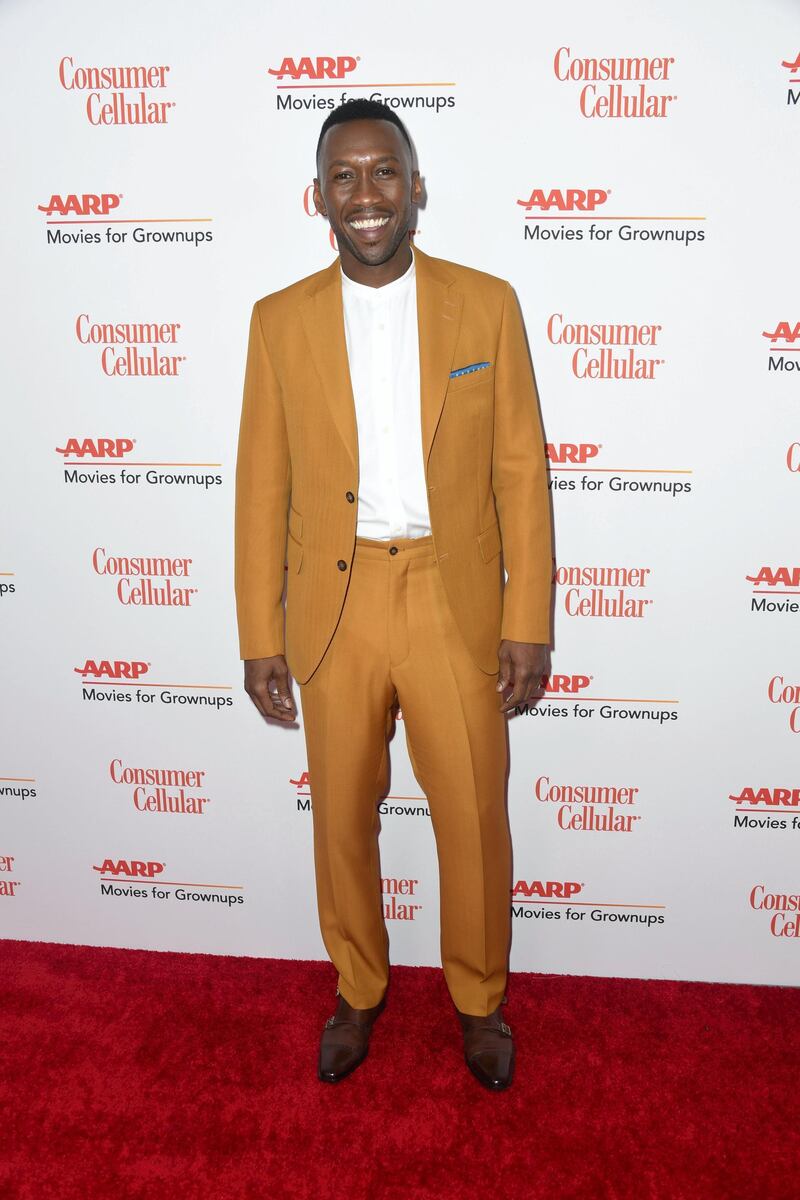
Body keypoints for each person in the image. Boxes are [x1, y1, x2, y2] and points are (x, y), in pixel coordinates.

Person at [234, 99, 552, 1091]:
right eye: (344, 176)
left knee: (471, 816)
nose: (364, 194)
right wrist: (258, 634)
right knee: (340, 817)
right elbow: (261, 486)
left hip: (449, 597)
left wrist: (526, 619)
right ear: (317, 197)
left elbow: (519, 473)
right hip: (333, 605)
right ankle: (357, 987)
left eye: (383, 173)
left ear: (416, 188)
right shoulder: (277, 320)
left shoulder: (484, 304)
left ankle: (479, 1000)